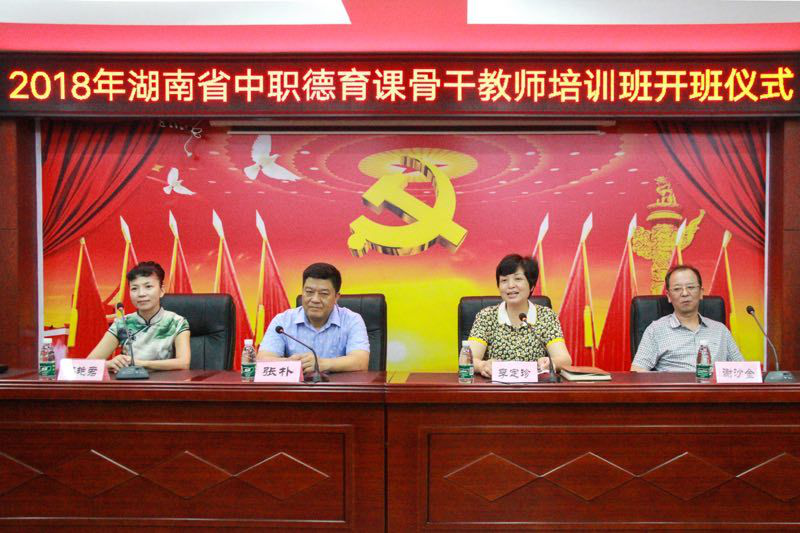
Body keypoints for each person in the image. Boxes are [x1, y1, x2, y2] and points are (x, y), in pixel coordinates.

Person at [468, 254, 571, 378]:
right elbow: (468, 359)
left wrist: (551, 362)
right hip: (496, 386)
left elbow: (565, 360)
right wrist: (482, 365)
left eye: (518, 279)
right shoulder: (486, 316)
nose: (510, 285)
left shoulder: (546, 316)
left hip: (534, 387)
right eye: (504, 280)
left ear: (531, 286)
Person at [257, 262, 370, 373]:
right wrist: (291, 364)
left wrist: (323, 364)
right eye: (309, 292)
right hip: (296, 385)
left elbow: (360, 361)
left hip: (338, 385)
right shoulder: (282, 321)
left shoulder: (352, 320)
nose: (315, 299)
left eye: (324, 294)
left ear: (336, 297)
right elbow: (262, 360)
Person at [631, 264, 744, 372]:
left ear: (701, 292)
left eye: (690, 287)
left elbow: (741, 370)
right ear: (669, 296)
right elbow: (638, 371)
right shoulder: (656, 330)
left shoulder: (720, 330)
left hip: (713, 386)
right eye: (677, 289)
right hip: (675, 386)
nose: (685, 293)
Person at [87, 261, 191, 372]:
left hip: (163, 381)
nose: (141, 294)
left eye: (148, 286)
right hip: (130, 381)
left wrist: (140, 363)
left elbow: (183, 363)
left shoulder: (176, 322)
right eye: (134, 288)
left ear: (161, 291)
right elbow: (88, 364)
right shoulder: (123, 323)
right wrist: (108, 364)